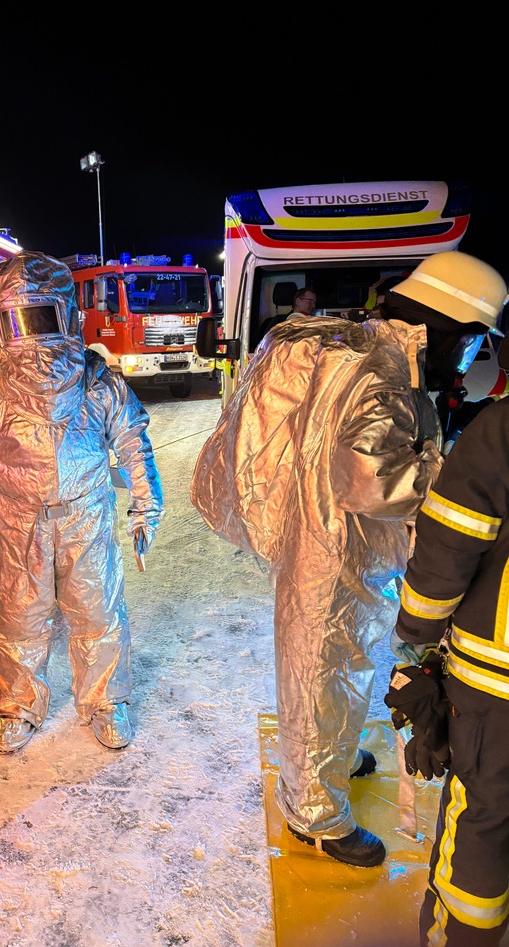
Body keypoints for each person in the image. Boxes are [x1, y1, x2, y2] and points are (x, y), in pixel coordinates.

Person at [190, 250, 507, 868]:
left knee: (346, 665)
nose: (467, 361)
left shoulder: (373, 350)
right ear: (447, 326)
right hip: (334, 551)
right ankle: (314, 813)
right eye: (470, 345)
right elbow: (369, 479)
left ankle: (330, 757)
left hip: (345, 545)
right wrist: (457, 474)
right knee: (322, 670)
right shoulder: (382, 371)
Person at [0, 250, 164, 753]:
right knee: (18, 615)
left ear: (66, 314)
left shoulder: (95, 378)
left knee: (97, 610)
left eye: (42, 316)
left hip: (85, 513)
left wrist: (146, 504)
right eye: (20, 318)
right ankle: (17, 704)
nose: (34, 335)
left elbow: (132, 440)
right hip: (16, 520)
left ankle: (104, 699)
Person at [386, 342, 509, 945]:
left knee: (481, 827)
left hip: (497, 687)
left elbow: (446, 551)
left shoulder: (501, 432)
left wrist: (414, 642)